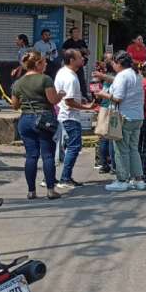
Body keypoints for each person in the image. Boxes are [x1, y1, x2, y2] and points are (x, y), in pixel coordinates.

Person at [9, 51, 63, 200]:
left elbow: (14, 105)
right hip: (44, 119)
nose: (46, 64)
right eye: (44, 62)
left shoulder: (18, 83)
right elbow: (52, 100)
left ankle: (31, 191)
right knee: (47, 155)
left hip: (25, 120)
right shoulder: (45, 79)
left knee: (31, 156)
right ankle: (50, 190)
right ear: (38, 64)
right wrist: (61, 95)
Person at [93, 51, 146, 192]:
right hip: (137, 116)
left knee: (121, 150)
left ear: (119, 63)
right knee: (133, 149)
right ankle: (138, 179)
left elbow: (118, 98)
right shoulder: (136, 74)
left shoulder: (122, 76)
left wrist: (103, 94)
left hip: (124, 117)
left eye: (114, 63)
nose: (113, 65)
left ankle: (122, 180)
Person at [55, 49, 92, 188]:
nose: (82, 59)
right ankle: (65, 177)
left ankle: (62, 176)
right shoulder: (70, 77)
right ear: (71, 60)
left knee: (68, 146)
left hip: (66, 114)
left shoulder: (64, 72)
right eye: (79, 57)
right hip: (70, 116)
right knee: (74, 146)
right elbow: (69, 101)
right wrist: (87, 108)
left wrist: (81, 100)